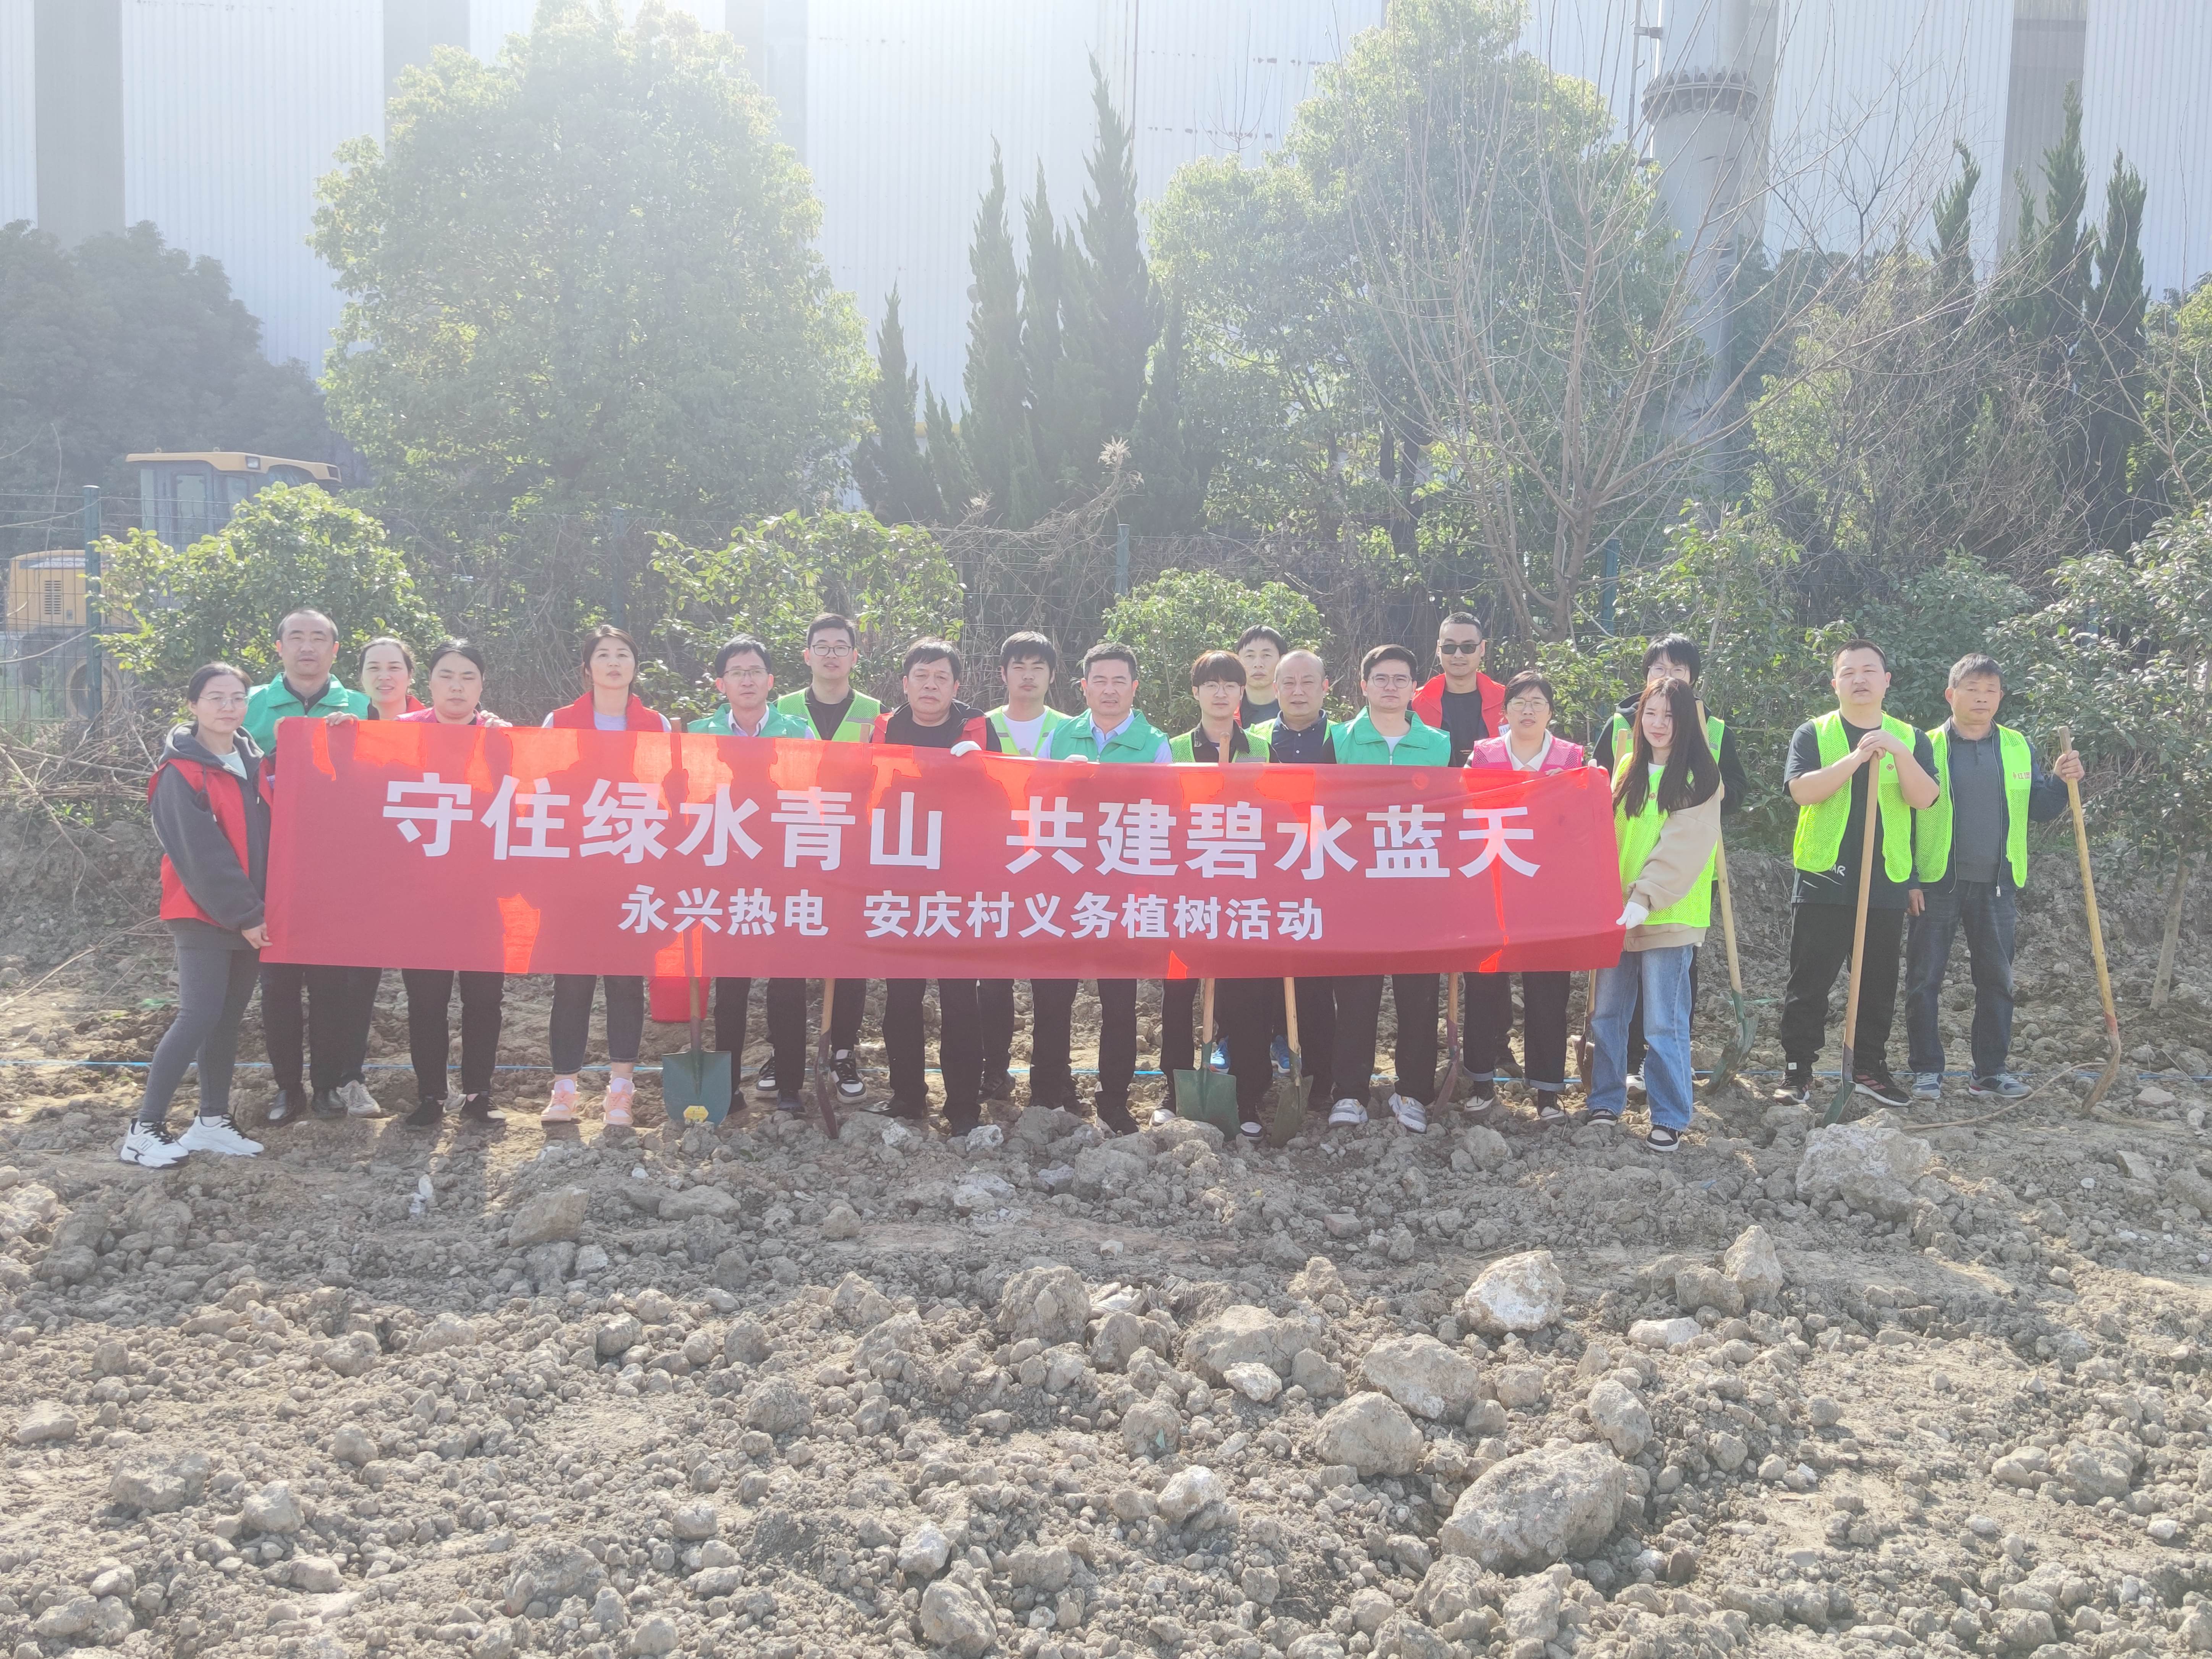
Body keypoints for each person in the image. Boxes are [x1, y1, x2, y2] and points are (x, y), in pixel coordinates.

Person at [1905, 653, 2083, 1100]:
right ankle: (1926, 1070)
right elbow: (1902, 815)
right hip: (1934, 882)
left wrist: (2063, 783)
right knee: (1924, 980)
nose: (1981, 698)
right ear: (1951, 695)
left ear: (2000, 697)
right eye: (1972, 689)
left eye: (1990, 691)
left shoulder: (2016, 746)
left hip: (1997, 884)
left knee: (1996, 980)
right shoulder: (1924, 746)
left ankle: (1989, 1071)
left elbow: (2039, 809)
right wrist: (1907, 878)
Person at [1777, 639, 1941, 1107]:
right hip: (1824, 877)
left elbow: (1923, 798)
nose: (1859, 679)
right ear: (1835, 684)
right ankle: (1797, 1071)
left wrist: (1896, 753)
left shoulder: (1911, 738)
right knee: (1808, 980)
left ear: (1886, 680)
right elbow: (1802, 792)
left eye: (1869, 670)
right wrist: (1854, 760)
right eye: (1848, 672)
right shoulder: (1813, 733)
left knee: (1876, 982)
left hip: (1885, 879)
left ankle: (1868, 1067)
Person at [125, 663, 272, 1167]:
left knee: (227, 1021)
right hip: (203, 914)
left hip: (251, 915)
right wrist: (245, 913)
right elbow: (201, 855)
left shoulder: (255, 765)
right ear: (193, 706)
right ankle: (144, 1130)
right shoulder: (178, 774)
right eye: (215, 698)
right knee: (199, 1015)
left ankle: (211, 1122)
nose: (228, 707)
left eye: (237, 697)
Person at [1591, 634, 1750, 1092]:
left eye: (1676, 669)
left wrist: (1710, 799)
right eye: (1656, 669)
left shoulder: (1714, 733)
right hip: (1619, 897)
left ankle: (1664, 1094)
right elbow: (1598, 799)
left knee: (1667, 1004)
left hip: (1677, 891)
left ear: (1692, 678)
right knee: (1611, 1008)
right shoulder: (1622, 737)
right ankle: (1612, 1087)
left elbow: (1732, 789)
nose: (1665, 678)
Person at [243, 609, 371, 1127]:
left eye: (319, 638)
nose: (307, 647)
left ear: (336, 651)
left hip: (335, 877)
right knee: (277, 987)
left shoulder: (361, 707)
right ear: (279, 647)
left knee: (330, 988)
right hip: (270, 875)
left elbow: (380, 783)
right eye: (296, 637)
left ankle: (327, 1088)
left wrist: (355, 741)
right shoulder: (247, 705)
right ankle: (287, 1089)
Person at [1040, 642, 1173, 1133]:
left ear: (1134, 688)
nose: (1110, 689)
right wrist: (1063, 785)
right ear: (1084, 687)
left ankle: (1114, 1098)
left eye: (1120, 681)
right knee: (1053, 994)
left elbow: (1163, 813)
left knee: (1119, 1000)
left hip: (1123, 887)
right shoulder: (1059, 737)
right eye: (1100, 680)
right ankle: (1050, 1089)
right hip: (1064, 885)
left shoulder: (1154, 743)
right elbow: (1034, 801)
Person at [540, 625, 671, 1127]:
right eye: (603, 655)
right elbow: (544, 792)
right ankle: (565, 1088)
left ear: (635, 667)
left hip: (633, 868)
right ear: (587, 667)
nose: (613, 662)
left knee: (623, 980)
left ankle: (621, 1089)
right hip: (574, 872)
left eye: (623, 654)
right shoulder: (560, 721)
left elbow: (664, 797)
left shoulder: (656, 725)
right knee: (571, 983)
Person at [1589, 677, 1725, 1151]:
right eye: (1650, 714)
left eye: (1669, 715)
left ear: (1686, 720)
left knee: (1662, 1022)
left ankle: (1669, 1115)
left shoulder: (1701, 778)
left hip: (1667, 915)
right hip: (1618, 913)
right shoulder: (1627, 766)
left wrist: (1644, 897)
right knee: (1607, 1013)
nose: (1658, 724)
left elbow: (1682, 848)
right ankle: (1604, 1099)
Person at [871, 640, 1001, 1132]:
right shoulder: (884, 728)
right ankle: (907, 1095)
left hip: (959, 880)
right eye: (921, 676)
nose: (930, 685)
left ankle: (963, 1104)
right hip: (899, 877)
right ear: (905, 684)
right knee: (902, 994)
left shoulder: (976, 726)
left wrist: (977, 770)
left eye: (941, 677)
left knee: (958, 996)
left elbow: (1001, 797)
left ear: (956, 686)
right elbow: (862, 791)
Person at [1329, 644, 1451, 1133]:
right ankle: (1349, 1093)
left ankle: (1413, 1093)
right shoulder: (1337, 740)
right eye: (1380, 678)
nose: (1390, 687)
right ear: (1363, 685)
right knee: (1355, 995)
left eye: (1400, 679)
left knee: (1417, 998)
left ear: (1415, 688)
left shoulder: (1440, 745)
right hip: (1354, 888)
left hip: (1418, 890)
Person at [689, 636, 813, 1114]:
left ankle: (788, 1087)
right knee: (731, 985)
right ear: (721, 684)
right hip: (723, 877)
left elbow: (819, 800)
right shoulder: (697, 734)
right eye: (736, 673)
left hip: (783, 874)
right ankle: (727, 1087)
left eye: (755, 671)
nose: (747, 680)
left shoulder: (797, 733)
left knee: (787, 983)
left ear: (771, 681)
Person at [394, 640, 509, 1129]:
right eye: (446, 675)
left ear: (482, 685)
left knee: (484, 998)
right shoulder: (399, 736)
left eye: (467, 676)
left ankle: (479, 1093)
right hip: (420, 894)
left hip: (483, 892)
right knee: (426, 1000)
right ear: (429, 683)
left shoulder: (502, 739)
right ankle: (430, 1096)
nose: (457, 686)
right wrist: (342, 732)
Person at [1464, 671, 1586, 1121]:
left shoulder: (1572, 758)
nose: (1528, 710)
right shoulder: (1482, 756)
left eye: (1537, 702)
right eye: (1519, 702)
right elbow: (1463, 815)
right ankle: (1480, 1081)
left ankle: (1548, 1090)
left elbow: (1581, 825)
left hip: (1549, 895)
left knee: (1547, 990)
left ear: (1550, 712)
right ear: (1505, 712)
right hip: (1491, 889)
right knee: (1483, 986)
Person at [1162, 652, 1273, 1138]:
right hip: (1185, 889)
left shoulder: (1262, 751)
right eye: (1211, 684)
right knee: (1177, 993)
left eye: (1231, 684)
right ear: (1196, 693)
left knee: (1247, 995)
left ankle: (1247, 1095)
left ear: (1242, 693)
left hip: (1243, 890)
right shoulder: (1172, 750)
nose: (1222, 693)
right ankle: (1173, 1088)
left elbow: (1275, 816)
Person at [775, 613, 876, 1102]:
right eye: (822, 645)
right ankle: (784, 1050)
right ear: (807, 655)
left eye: (841, 646)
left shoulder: (878, 715)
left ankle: (842, 1051)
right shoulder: (782, 709)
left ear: (855, 657)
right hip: (793, 849)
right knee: (788, 954)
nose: (831, 653)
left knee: (850, 957)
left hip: (854, 851)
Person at [979, 632, 1074, 1106]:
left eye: (1038, 667)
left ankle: (1053, 1080)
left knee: (1053, 985)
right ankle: (993, 1071)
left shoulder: (1070, 729)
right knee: (992, 983)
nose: (1028, 675)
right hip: (994, 870)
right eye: (1018, 667)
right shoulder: (979, 726)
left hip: (1051, 869)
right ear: (1003, 674)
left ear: (1052, 676)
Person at [1248, 648, 1338, 1110]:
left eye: (1308, 682)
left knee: (1317, 987)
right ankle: (1261, 1077)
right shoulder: (1254, 740)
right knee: (1263, 984)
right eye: (1288, 683)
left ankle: (1324, 1078)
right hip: (1268, 877)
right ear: (1274, 689)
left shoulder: (1343, 740)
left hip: (1329, 876)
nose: (1298, 691)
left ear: (1326, 687)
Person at [1411, 612, 1505, 767]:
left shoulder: (1508, 701)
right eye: (1449, 647)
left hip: (1493, 790)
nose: (1458, 655)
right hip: (1435, 789)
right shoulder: (1416, 703)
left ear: (1482, 648)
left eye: (1468, 647)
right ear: (1439, 650)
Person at [357, 637, 424, 721]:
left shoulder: (433, 724)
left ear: (410, 675)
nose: (384, 677)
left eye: (394, 668)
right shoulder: (350, 724)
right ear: (362, 677)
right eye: (374, 668)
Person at [1235, 624, 1285, 727]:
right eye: (1250, 656)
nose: (1258, 664)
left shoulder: (1298, 710)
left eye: (1266, 655)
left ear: (1282, 660)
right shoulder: (1227, 712)